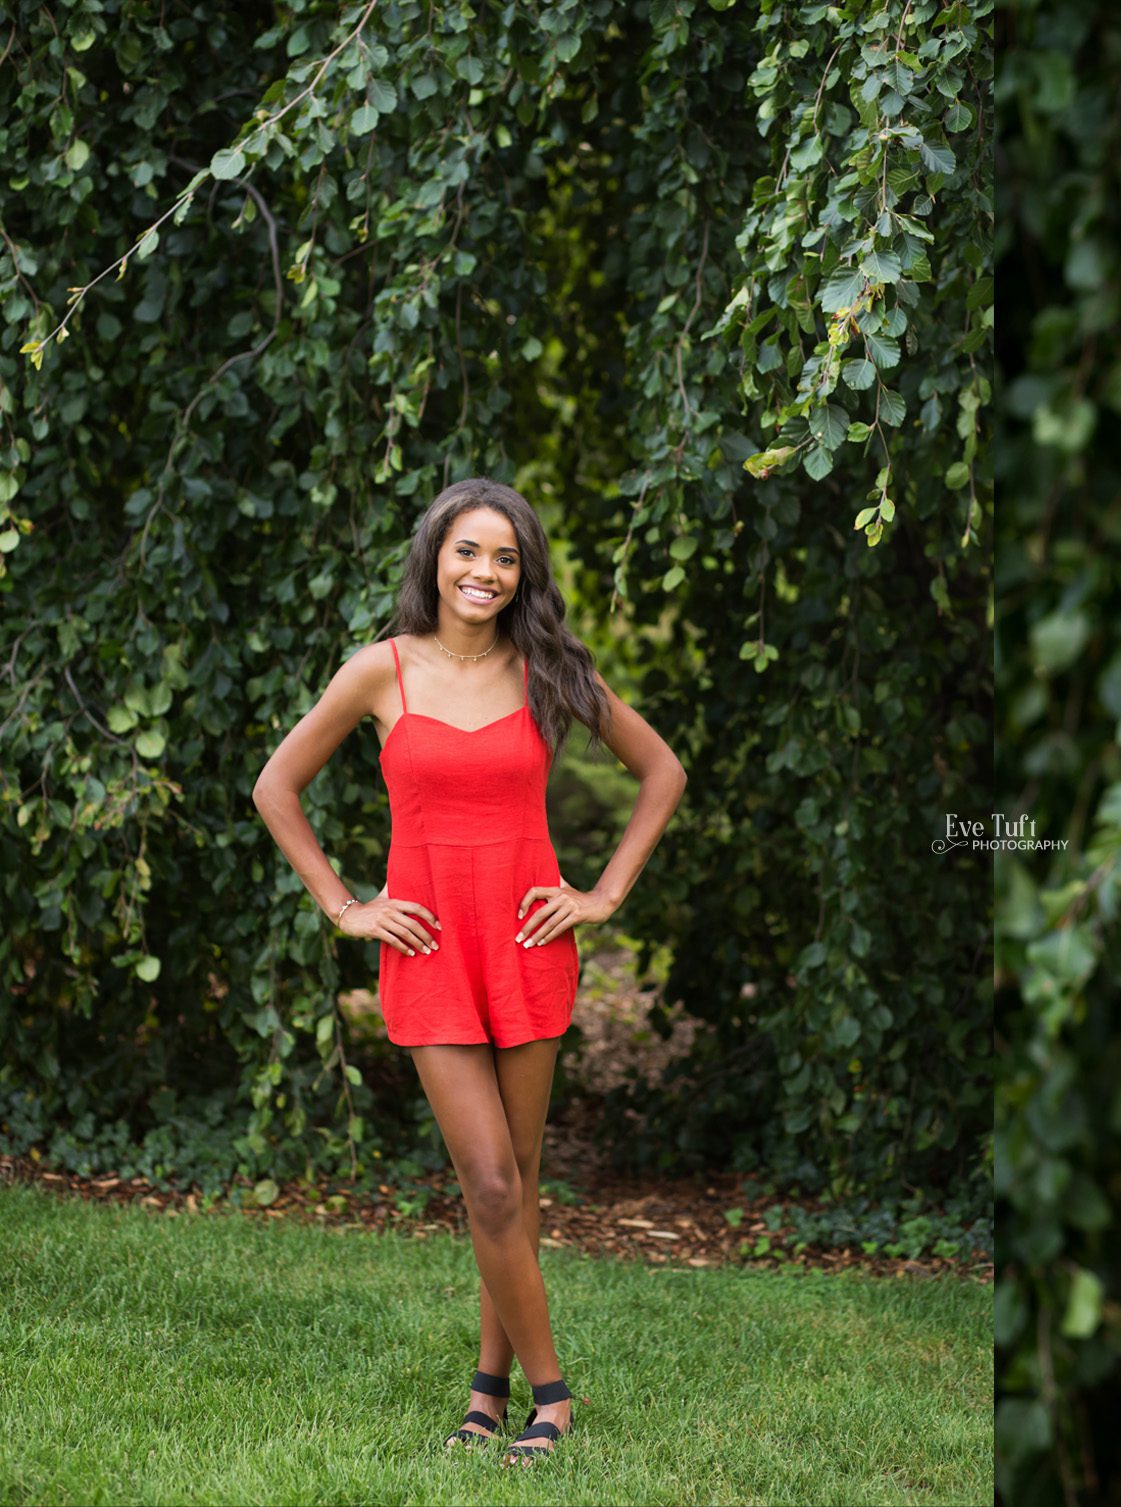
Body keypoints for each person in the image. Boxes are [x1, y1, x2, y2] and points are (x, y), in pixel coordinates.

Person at [252, 477, 688, 1465]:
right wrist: (346, 905)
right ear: (433, 560)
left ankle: (488, 1390)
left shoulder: (545, 670)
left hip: (530, 944)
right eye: (467, 552)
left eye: (504, 556)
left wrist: (603, 894)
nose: (485, 572)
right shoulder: (379, 672)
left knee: (520, 1179)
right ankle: (554, 1394)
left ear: (522, 571)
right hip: (431, 952)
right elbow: (276, 786)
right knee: (488, 1180)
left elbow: (662, 771)